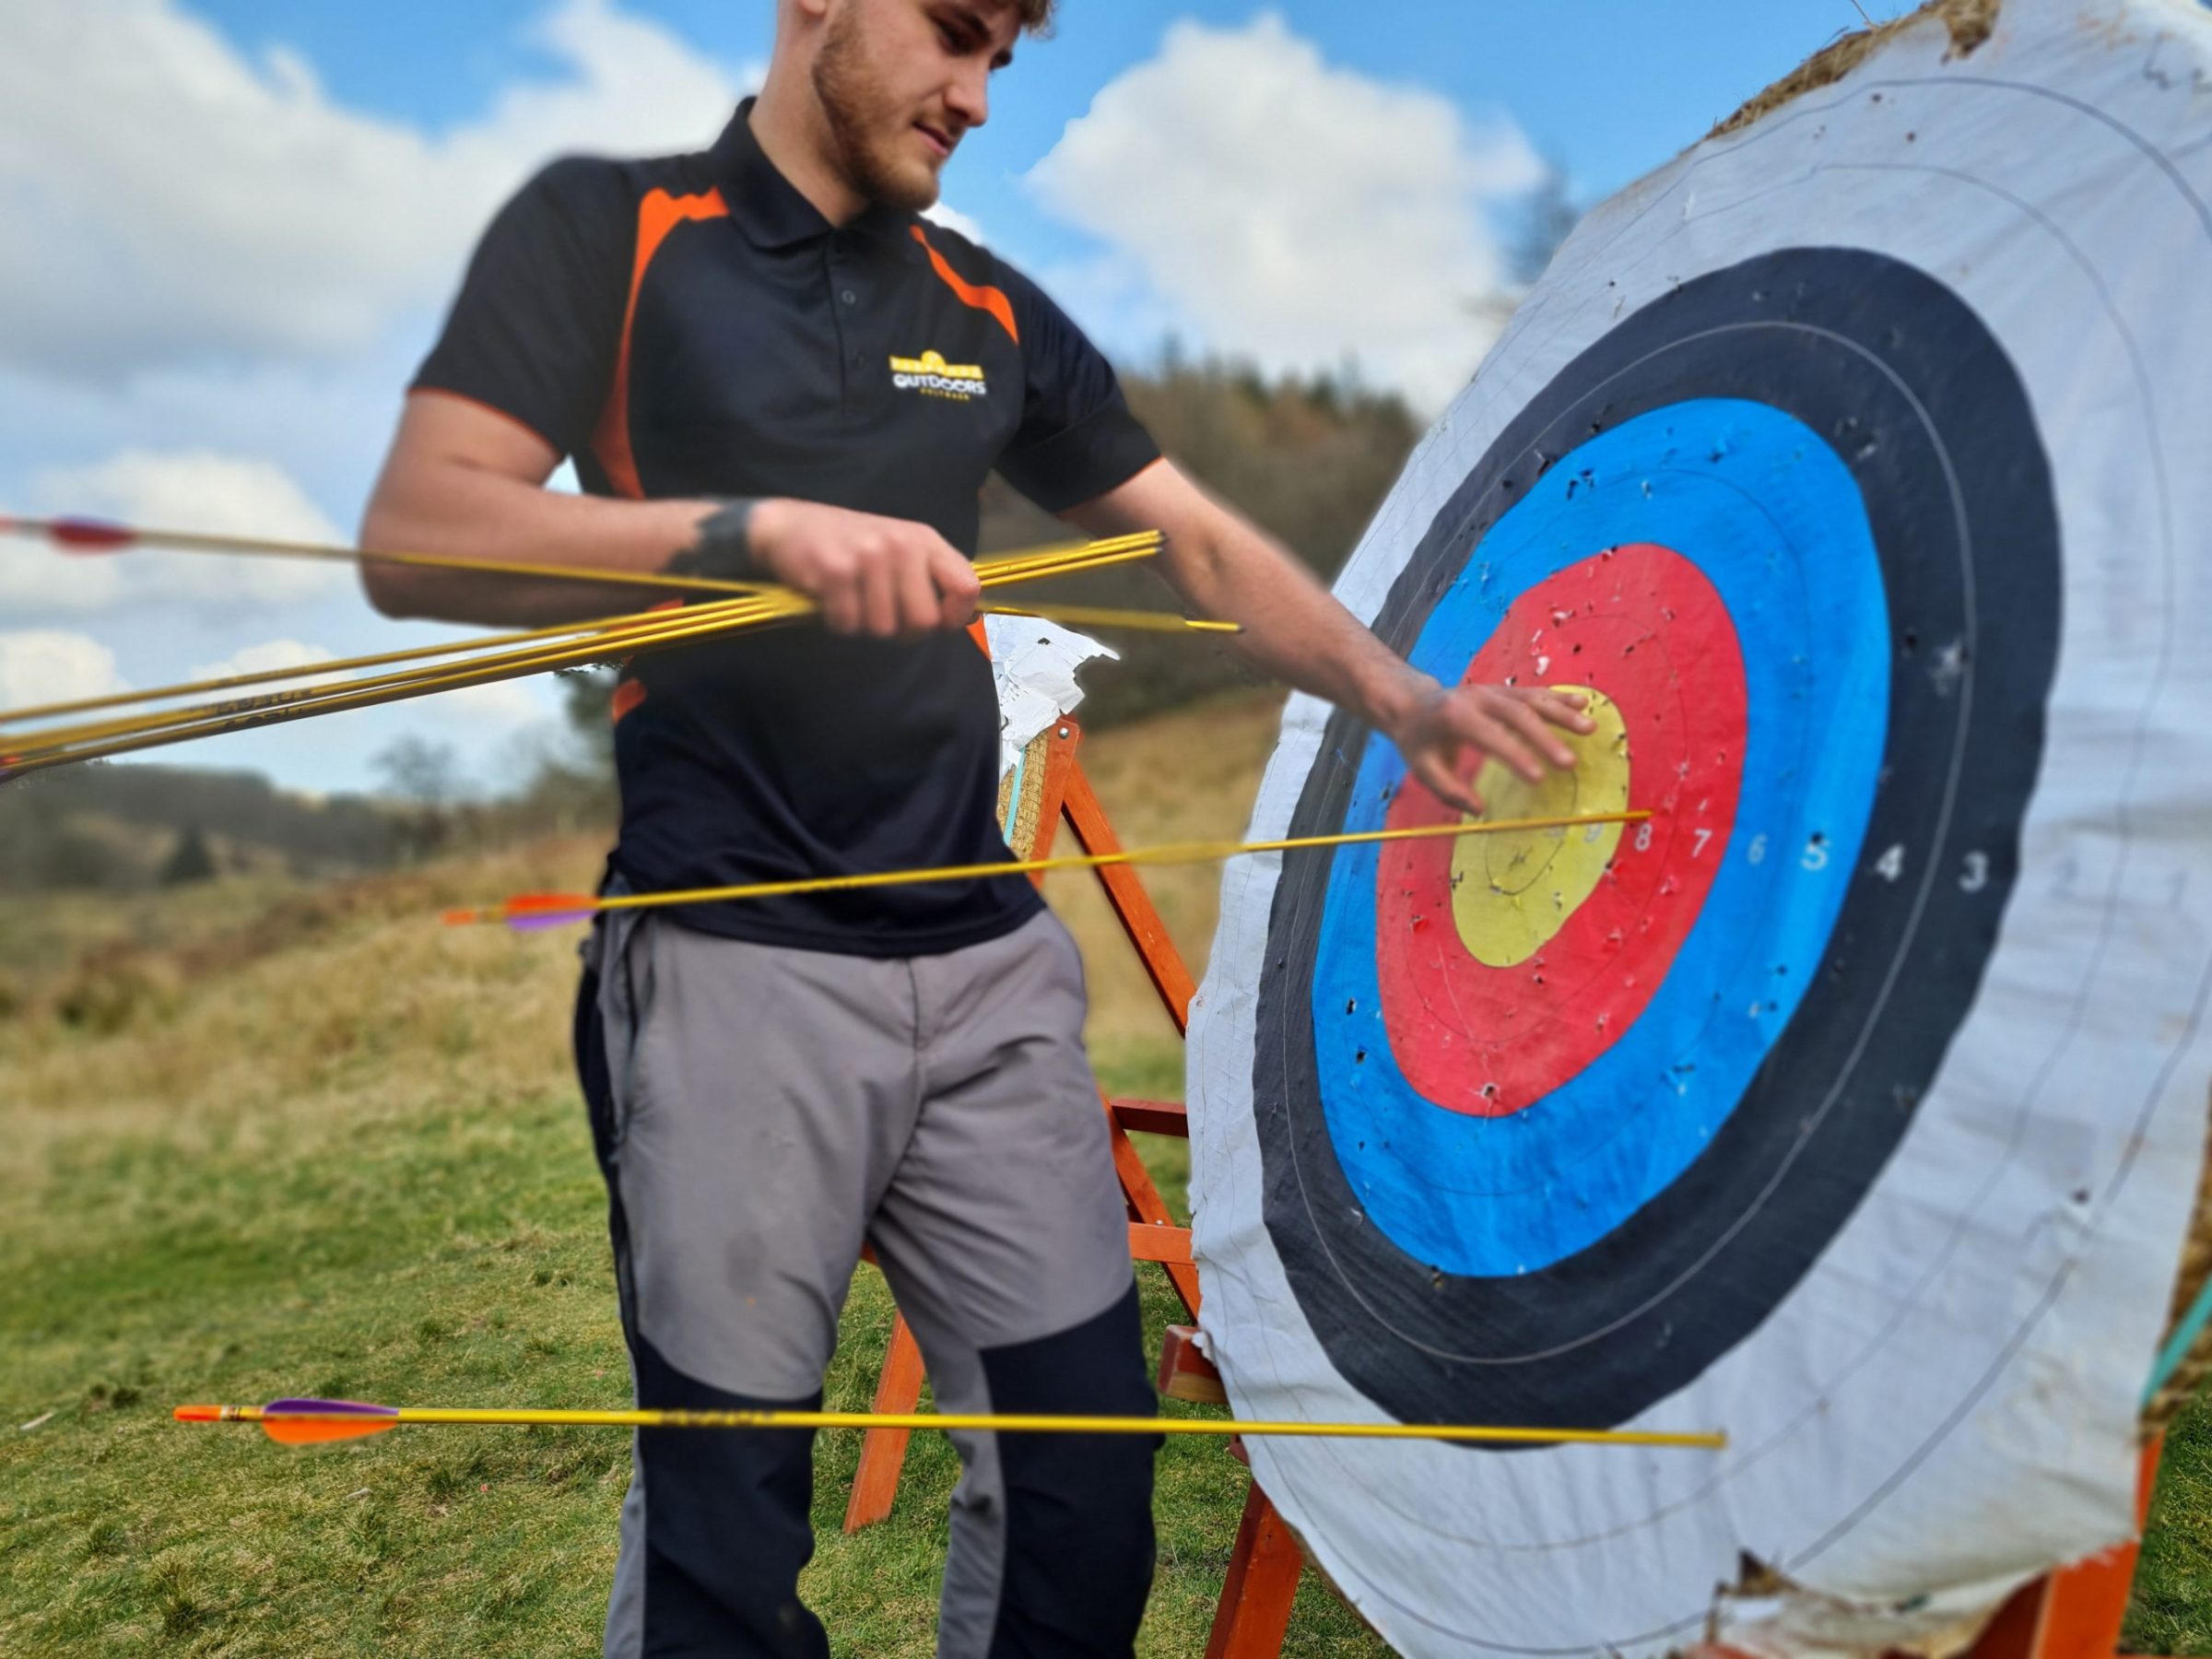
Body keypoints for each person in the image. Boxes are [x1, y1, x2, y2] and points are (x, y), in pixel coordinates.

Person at [359, 0, 1590, 1652]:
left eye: (1008, 55)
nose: (979, 94)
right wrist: (747, 533)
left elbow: (1201, 551)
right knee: (726, 1535)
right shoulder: (613, 230)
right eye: (953, 34)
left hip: (985, 963)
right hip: (732, 964)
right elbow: (420, 533)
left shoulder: (984, 306)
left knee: (1085, 1485)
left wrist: (1405, 696)